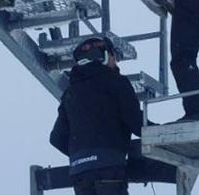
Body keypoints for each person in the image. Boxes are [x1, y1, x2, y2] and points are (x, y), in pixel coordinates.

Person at [50, 36, 143, 195]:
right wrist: (161, 134)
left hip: (80, 172)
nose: (115, 62)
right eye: (114, 57)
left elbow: (56, 138)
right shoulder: (116, 82)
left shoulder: (70, 93)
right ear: (107, 56)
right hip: (109, 167)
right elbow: (136, 123)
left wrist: (84, 153)